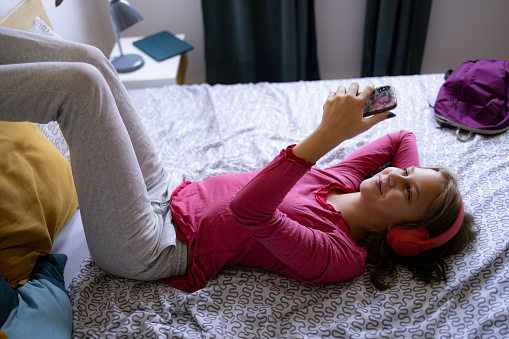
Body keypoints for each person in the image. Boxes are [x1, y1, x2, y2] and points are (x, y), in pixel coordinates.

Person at [0, 27, 476, 292]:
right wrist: (426, 181)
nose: (393, 175)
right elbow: (402, 136)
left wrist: (326, 134)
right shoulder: (348, 182)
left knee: (80, 91)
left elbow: (250, 211)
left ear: (405, 239)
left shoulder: (339, 256)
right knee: (94, 61)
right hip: (171, 192)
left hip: (151, 245)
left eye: (406, 190)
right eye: (406, 173)